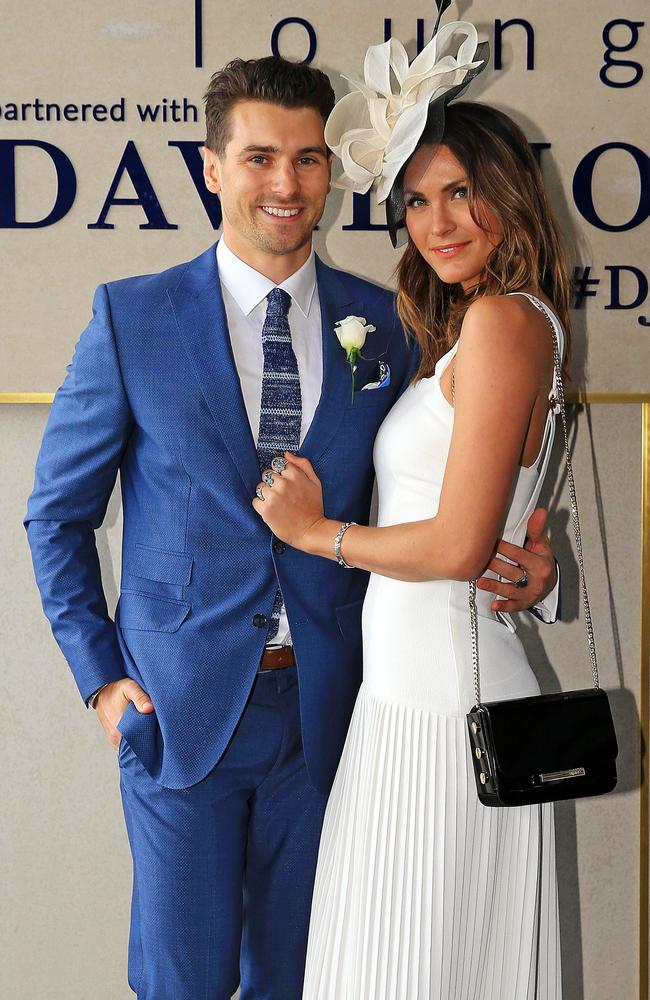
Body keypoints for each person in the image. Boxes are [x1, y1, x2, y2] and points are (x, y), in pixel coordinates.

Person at [24, 54, 559, 1000]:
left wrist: (536, 566)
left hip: (335, 719)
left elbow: (456, 474)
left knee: (310, 979)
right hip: (181, 714)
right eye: (261, 156)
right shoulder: (131, 318)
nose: (286, 183)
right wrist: (102, 680)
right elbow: (56, 516)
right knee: (181, 985)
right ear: (212, 167)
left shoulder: (390, 326)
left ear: (330, 173)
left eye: (309, 159)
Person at [252, 20, 568, 1000]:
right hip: (405, 701)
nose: (436, 222)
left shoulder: (503, 320)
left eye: (459, 192)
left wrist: (316, 535)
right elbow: (482, 522)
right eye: (416, 201)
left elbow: (459, 541)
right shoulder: (455, 333)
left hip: (444, 709)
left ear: (507, 194)